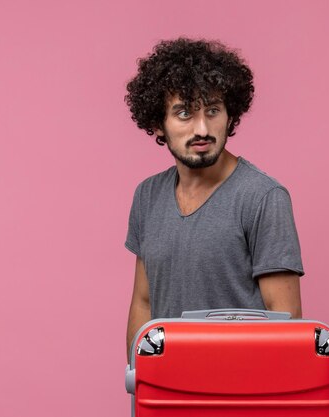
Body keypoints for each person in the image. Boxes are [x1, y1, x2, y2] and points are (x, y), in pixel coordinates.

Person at [124, 38, 304, 356]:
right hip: (167, 394)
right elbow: (144, 301)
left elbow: (286, 323)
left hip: (240, 395)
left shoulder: (263, 197)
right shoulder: (147, 196)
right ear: (158, 124)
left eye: (213, 111)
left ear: (230, 116)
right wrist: (140, 382)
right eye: (184, 114)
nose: (203, 129)